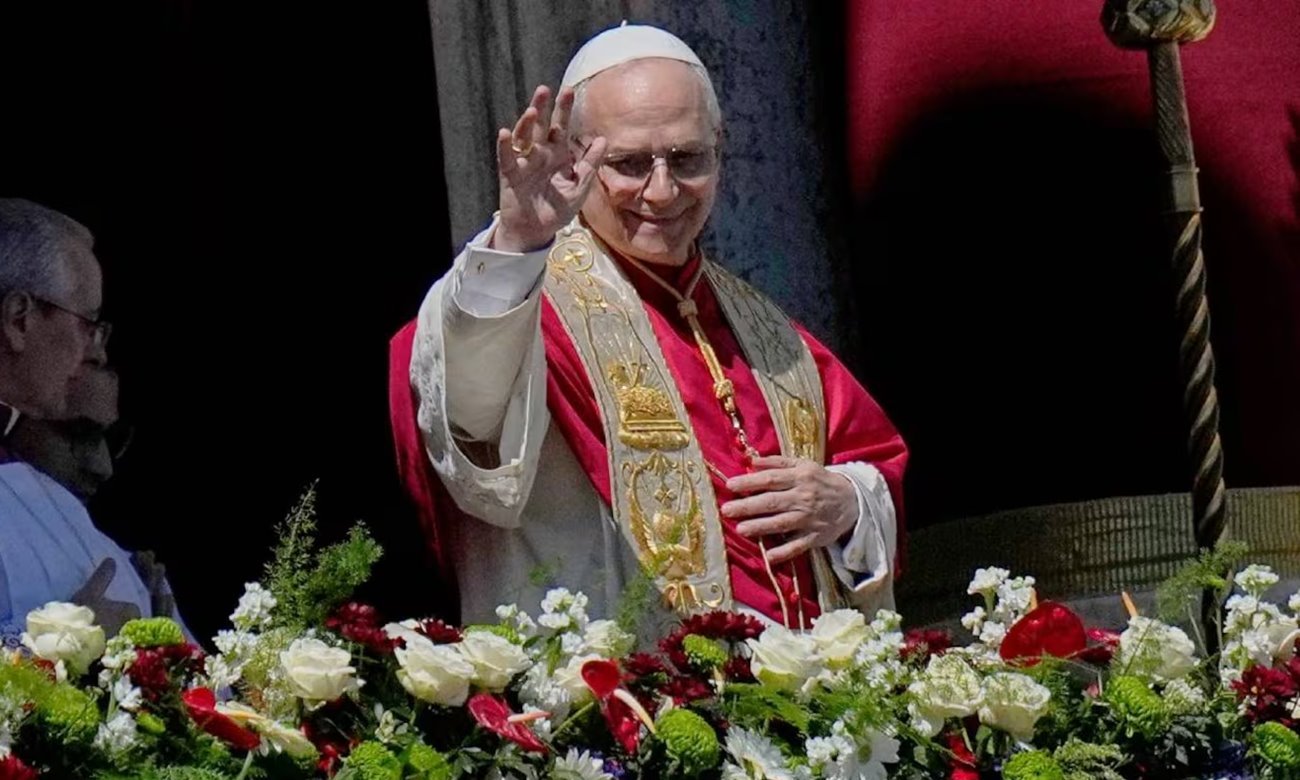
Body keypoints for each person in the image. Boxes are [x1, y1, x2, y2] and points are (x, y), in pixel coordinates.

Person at [390, 25, 907, 630]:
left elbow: (874, 462)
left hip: (793, 702)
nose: (662, 193)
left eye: (686, 159)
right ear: (576, 158)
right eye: (629, 164)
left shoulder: (768, 334)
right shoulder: (520, 299)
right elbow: (468, 419)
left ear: (721, 147)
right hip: (619, 691)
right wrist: (520, 240)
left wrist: (845, 502)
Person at [0, 198, 165, 642]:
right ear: (19, 319)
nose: (98, 350)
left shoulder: (36, 492)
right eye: (87, 323)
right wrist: (61, 650)